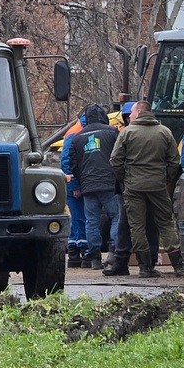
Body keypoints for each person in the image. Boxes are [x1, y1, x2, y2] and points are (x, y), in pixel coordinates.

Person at [109, 100, 184, 277]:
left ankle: (145, 268)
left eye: (131, 112)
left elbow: (115, 160)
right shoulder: (165, 132)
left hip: (133, 187)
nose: (129, 116)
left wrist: (125, 178)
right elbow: (174, 161)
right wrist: (165, 179)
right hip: (157, 186)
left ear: (138, 112)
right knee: (166, 223)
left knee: (136, 226)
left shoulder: (127, 133)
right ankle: (178, 266)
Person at [68, 104, 120, 271]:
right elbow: (120, 156)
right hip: (109, 184)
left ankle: (95, 257)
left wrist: (81, 181)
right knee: (116, 217)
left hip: (88, 186)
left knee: (91, 221)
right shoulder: (112, 132)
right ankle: (113, 251)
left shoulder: (77, 138)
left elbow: (72, 164)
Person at [60, 111, 89, 267]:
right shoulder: (77, 133)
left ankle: (75, 252)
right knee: (79, 217)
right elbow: (67, 161)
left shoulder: (75, 131)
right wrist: (75, 185)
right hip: (75, 183)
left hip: (76, 181)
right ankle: (78, 251)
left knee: (79, 217)